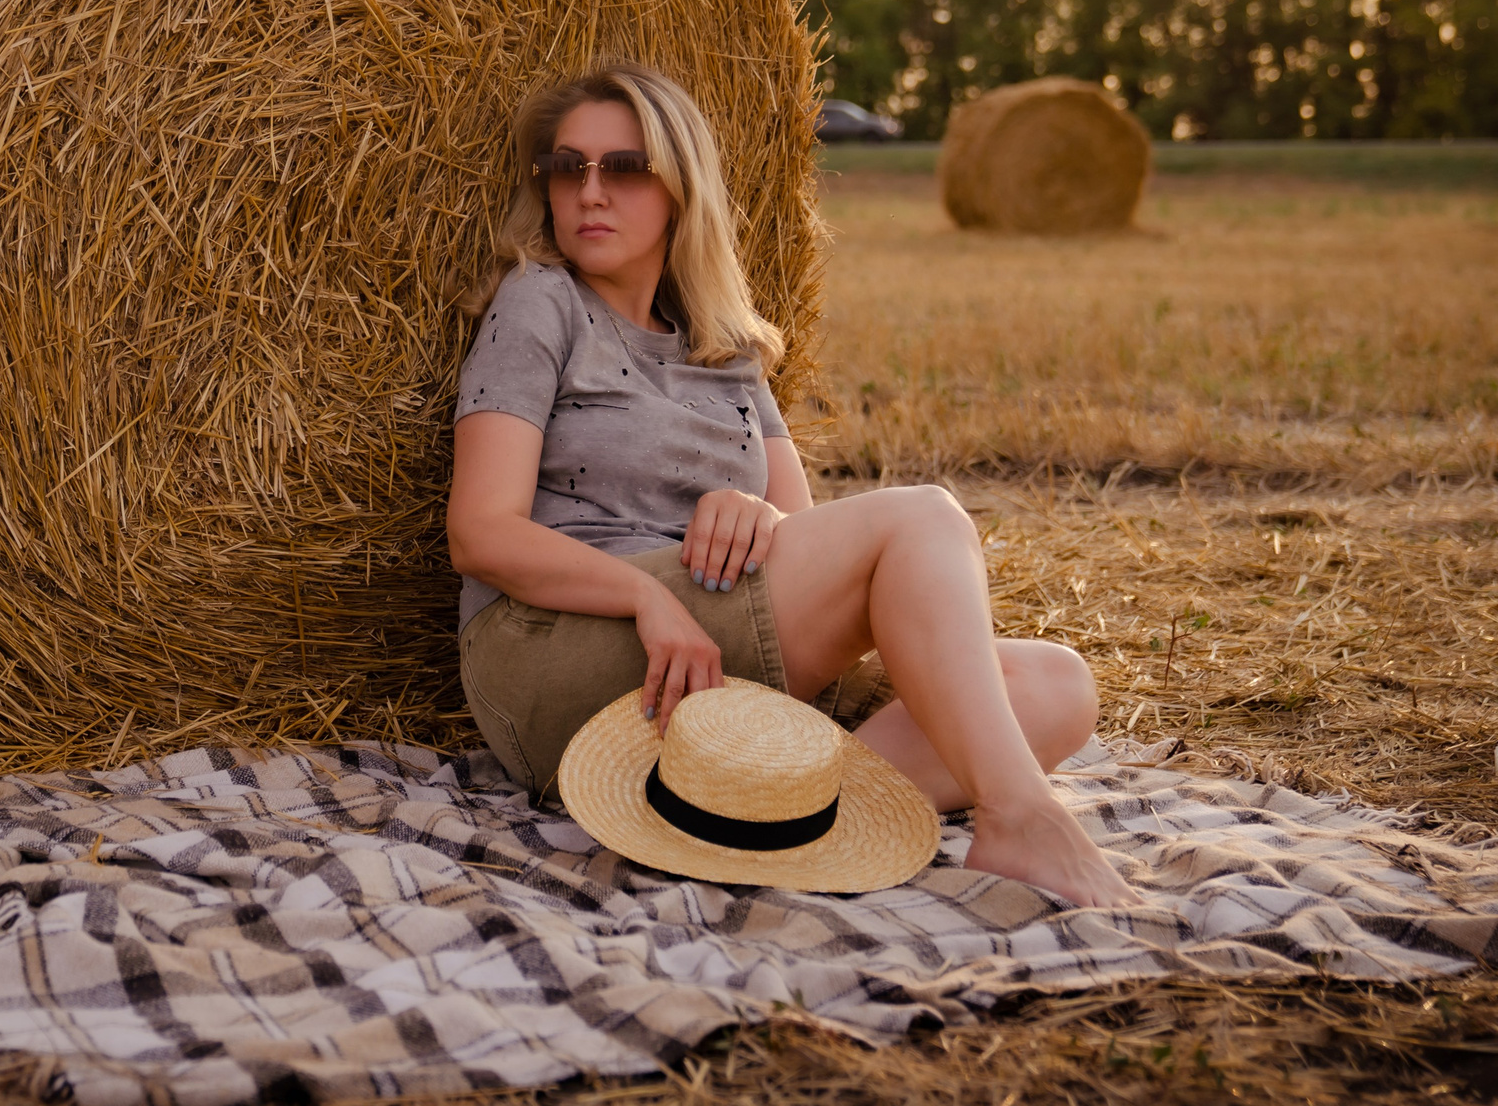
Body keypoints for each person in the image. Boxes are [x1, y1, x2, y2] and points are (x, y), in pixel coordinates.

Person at [446, 63, 1140, 908]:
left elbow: (816, 551)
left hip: (711, 652)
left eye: (624, 168)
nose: (591, 191)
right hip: (560, 646)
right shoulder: (540, 302)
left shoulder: (727, 347)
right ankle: (1022, 820)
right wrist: (643, 596)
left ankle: (776, 813)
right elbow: (480, 531)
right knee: (923, 517)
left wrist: (758, 511)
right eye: (569, 166)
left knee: (1057, 685)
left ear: (679, 187)